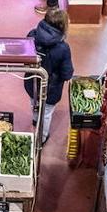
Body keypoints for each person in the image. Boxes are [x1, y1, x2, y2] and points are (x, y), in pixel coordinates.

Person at [24, 9, 74, 146]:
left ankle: (34, 119)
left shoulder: (32, 35)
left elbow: (24, 57)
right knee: (46, 113)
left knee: (33, 103)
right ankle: (42, 137)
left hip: (31, 83)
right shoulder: (63, 48)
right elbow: (67, 73)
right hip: (51, 90)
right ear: (63, 27)